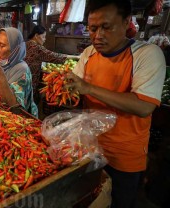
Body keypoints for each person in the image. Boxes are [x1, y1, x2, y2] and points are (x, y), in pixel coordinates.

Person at [67, 0, 166, 207]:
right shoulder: (88, 54)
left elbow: (143, 106)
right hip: (88, 149)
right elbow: (75, 90)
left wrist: (89, 88)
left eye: (106, 27)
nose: (98, 35)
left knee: (120, 202)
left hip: (123, 157)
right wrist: (65, 90)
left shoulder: (147, 54)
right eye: (92, 28)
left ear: (126, 22)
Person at [25, 25, 79, 103]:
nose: (45, 40)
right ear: (36, 36)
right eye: (43, 37)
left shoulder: (26, 44)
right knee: (29, 101)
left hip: (23, 78)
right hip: (30, 80)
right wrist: (75, 57)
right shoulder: (36, 47)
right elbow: (54, 56)